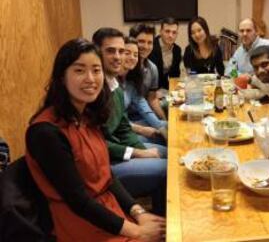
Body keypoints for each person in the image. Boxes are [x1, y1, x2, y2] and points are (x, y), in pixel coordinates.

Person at [25, 38, 165, 242]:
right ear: (62, 77)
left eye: (96, 70)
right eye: (79, 70)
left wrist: (138, 212)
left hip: (108, 212)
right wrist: (136, 231)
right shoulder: (46, 132)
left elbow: (107, 176)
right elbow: (78, 201)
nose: (91, 78)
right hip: (81, 224)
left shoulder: (88, 116)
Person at [92, 28, 167, 216]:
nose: (118, 57)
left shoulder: (115, 85)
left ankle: (160, 217)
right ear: (96, 52)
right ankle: (163, 222)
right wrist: (139, 153)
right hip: (105, 166)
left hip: (117, 150)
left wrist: (144, 149)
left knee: (169, 153)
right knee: (170, 169)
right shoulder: (95, 91)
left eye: (120, 51)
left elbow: (124, 127)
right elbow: (99, 143)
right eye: (111, 51)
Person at [122, 34, 167, 145]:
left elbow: (143, 107)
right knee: (165, 149)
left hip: (130, 125)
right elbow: (117, 121)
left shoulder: (131, 82)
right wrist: (143, 130)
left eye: (135, 55)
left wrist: (161, 125)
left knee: (173, 128)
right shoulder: (112, 83)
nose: (132, 58)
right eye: (127, 53)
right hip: (121, 137)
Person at [148, 17, 182, 90]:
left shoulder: (177, 50)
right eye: (167, 31)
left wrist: (175, 91)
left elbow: (175, 75)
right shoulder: (150, 47)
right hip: (149, 89)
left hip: (165, 89)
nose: (170, 35)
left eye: (174, 32)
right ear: (160, 32)